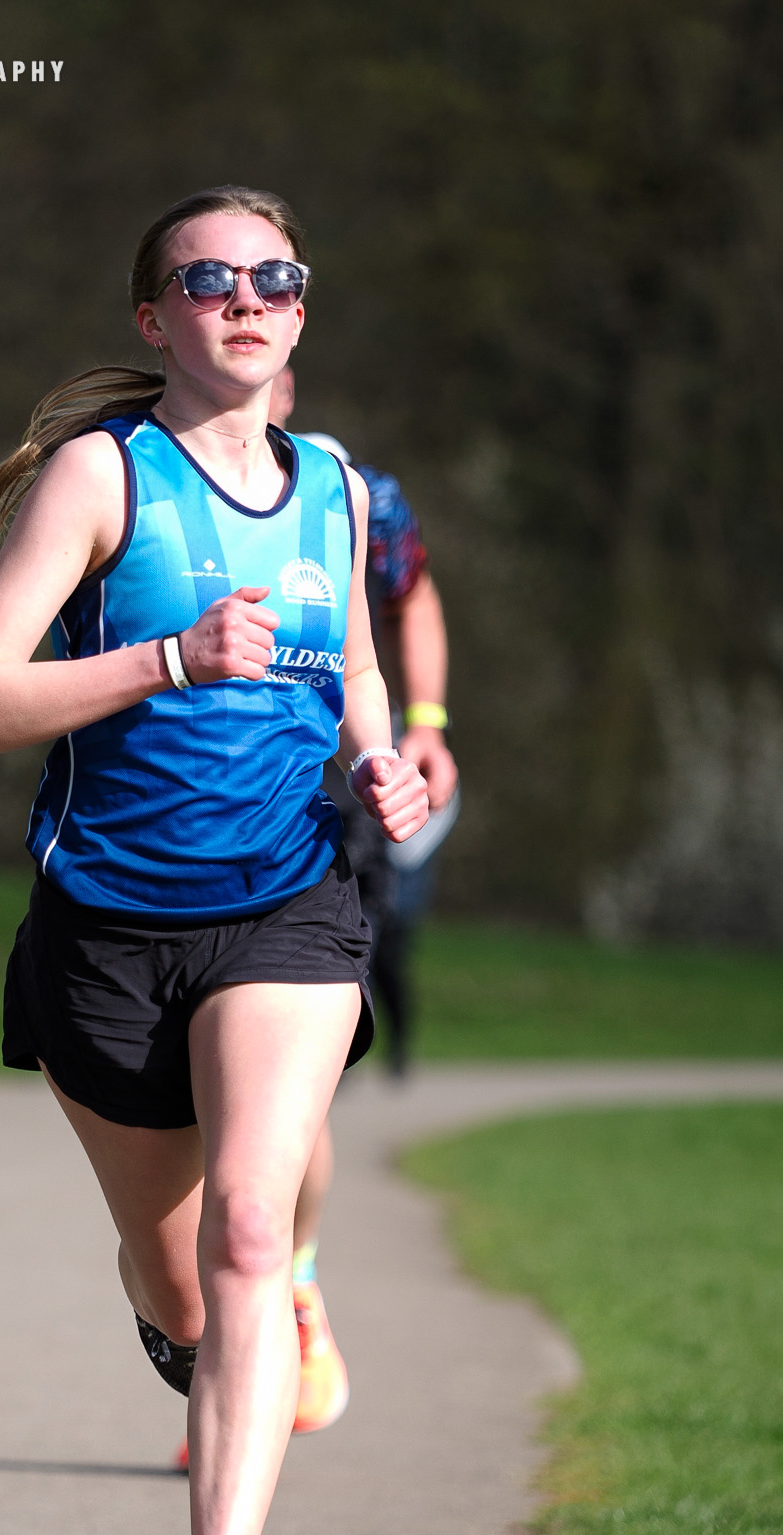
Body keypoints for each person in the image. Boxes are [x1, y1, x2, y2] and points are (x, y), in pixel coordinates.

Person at [0, 185, 429, 1535]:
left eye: (275, 274)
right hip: (104, 928)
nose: (247, 296)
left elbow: (351, 657)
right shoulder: (104, 477)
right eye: (208, 278)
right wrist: (163, 658)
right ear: (155, 319)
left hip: (285, 905)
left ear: (300, 306)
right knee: (184, 1291)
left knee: (244, 1228)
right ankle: (233, 1333)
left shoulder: (338, 486)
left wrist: (389, 768)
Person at [261, 371, 461, 1444]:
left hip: (335, 805)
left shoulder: (357, 493)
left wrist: (421, 721)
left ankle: (286, 1288)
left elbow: (414, 591)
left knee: (288, 1094)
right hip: (184, 831)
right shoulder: (143, 475)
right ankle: (245, 1318)